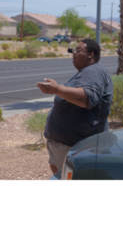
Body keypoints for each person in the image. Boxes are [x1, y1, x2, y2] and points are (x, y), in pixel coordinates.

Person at [36, 38, 113, 174]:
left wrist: (57, 89)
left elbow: (87, 98)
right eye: (73, 51)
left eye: (78, 50)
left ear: (91, 54)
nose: (74, 53)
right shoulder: (87, 72)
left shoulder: (93, 71)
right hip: (67, 144)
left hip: (76, 146)